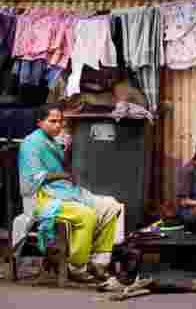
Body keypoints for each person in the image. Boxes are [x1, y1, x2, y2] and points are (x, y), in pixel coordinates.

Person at [18, 104, 123, 282]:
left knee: (112, 206)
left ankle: (98, 262)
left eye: (60, 121)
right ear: (39, 123)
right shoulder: (31, 143)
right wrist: (63, 174)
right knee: (86, 215)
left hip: (65, 192)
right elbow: (32, 178)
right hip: (43, 197)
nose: (58, 125)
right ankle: (76, 265)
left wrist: (66, 150)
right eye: (53, 121)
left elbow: (64, 167)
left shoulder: (55, 141)